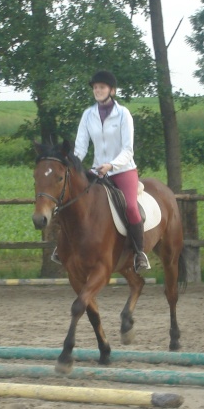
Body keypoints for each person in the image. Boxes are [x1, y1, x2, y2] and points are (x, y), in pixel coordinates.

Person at [64, 70, 151, 272]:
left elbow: (128, 149)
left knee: (130, 207)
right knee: (72, 200)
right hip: (97, 170)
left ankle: (140, 253)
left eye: (101, 87)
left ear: (111, 90)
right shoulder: (88, 114)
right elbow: (81, 147)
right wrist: (72, 163)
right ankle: (65, 247)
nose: (97, 91)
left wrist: (112, 165)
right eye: (95, 88)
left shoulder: (123, 114)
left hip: (122, 170)